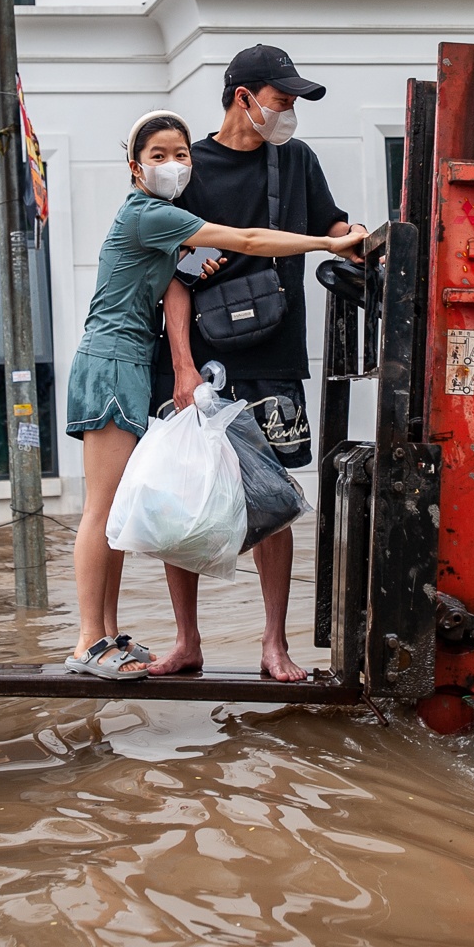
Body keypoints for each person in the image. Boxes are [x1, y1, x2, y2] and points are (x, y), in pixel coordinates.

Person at [64, 110, 363, 680]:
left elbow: (186, 272)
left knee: (117, 515)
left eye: (181, 154)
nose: (174, 164)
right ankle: (86, 641)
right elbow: (249, 238)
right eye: (159, 156)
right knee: (102, 511)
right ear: (135, 168)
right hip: (110, 360)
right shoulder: (147, 213)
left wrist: (202, 264)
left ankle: (107, 637)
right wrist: (330, 243)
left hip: (130, 359)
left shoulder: (165, 221)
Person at [149, 44, 367, 683]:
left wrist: (355, 235)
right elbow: (175, 279)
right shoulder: (192, 170)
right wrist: (183, 368)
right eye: (282, 99)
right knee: (181, 498)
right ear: (243, 97)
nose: (291, 111)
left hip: (274, 356)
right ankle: (187, 641)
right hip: (199, 359)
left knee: (274, 502)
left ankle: (275, 645)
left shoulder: (296, 161)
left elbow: (332, 226)